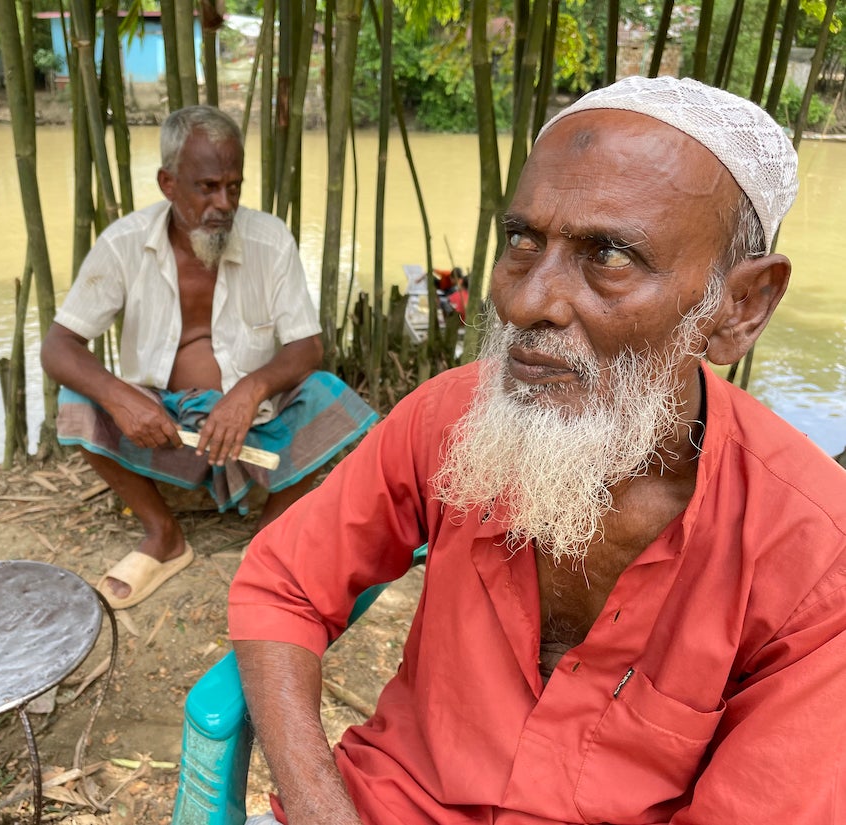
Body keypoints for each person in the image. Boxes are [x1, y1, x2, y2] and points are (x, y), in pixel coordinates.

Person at [229, 76, 846, 825]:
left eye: (610, 255)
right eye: (522, 242)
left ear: (740, 306)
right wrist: (324, 809)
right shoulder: (449, 418)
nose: (524, 302)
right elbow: (284, 584)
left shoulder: (817, 553)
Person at [41, 105, 376, 609]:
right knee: (77, 401)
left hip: (252, 423)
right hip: (167, 426)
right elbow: (58, 346)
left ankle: (268, 536)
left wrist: (250, 390)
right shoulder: (124, 243)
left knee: (330, 396)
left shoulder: (269, 240)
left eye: (234, 187)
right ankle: (163, 536)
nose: (224, 203)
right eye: (207, 187)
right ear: (168, 183)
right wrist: (123, 400)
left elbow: (307, 345)